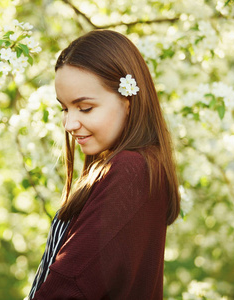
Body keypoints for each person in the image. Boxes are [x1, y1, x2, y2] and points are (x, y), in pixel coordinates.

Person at [28, 29, 180, 299]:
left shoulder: (131, 170)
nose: (69, 124)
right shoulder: (125, 167)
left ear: (128, 100)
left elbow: (69, 286)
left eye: (85, 108)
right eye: (64, 108)